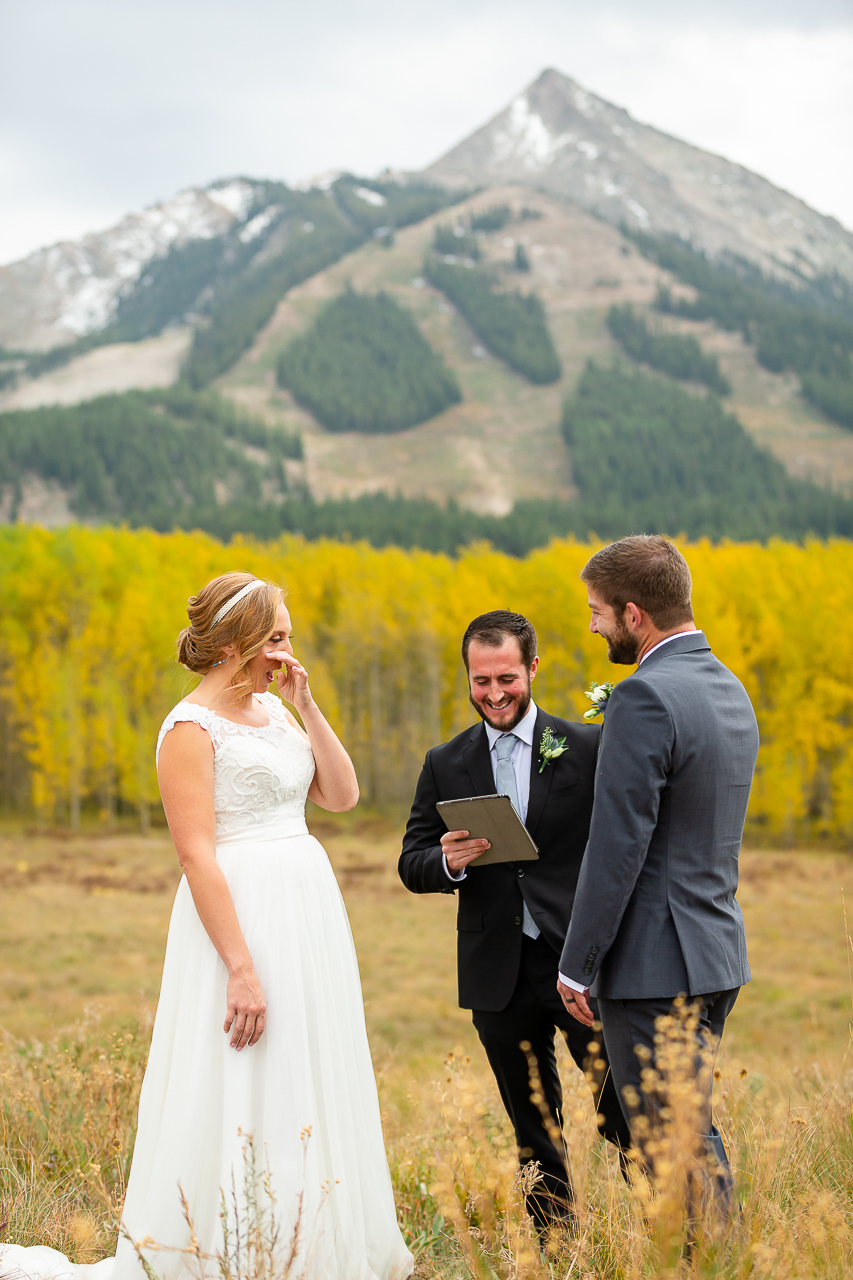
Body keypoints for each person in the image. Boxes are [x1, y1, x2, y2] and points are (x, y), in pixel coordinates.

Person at [1, 572, 413, 1280]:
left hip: (307, 908)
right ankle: (232, 1248)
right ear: (231, 642)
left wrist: (307, 707)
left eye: (286, 635)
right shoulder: (188, 729)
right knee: (248, 1066)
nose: (286, 650)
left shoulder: (279, 713)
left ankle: (312, 1245)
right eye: (275, 637)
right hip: (239, 910)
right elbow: (195, 854)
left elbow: (342, 796)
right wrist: (241, 967)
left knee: (305, 1064)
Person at [398, 611, 631, 1233]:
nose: (494, 693)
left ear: (532, 668)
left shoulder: (586, 745)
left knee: (621, 1109)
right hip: (496, 971)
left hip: (577, 964)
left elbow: (623, 842)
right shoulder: (445, 761)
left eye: (506, 677)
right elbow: (409, 862)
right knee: (533, 1124)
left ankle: (663, 1234)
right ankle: (557, 1248)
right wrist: (445, 862)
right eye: (480, 681)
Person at [557, 536, 759, 1220]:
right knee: (683, 1136)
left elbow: (617, 846)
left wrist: (578, 964)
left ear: (633, 614)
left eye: (596, 611)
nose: (591, 624)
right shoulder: (725, 686)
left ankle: (716, 1267)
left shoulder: (644, 697)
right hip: (711, 955)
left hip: (652, 967)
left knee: (676, 1146)